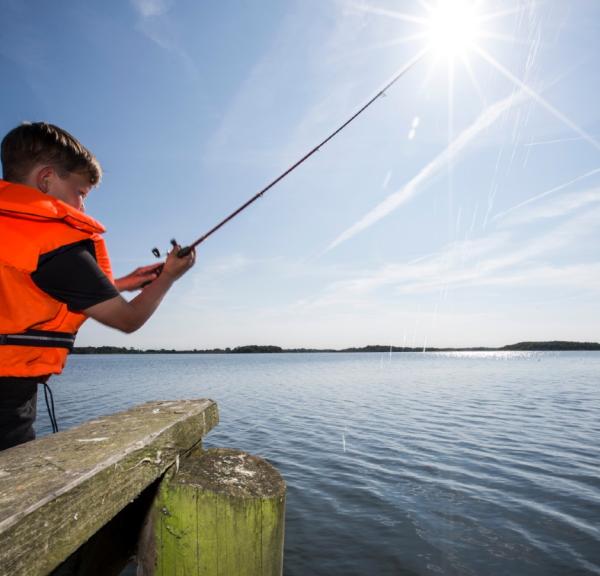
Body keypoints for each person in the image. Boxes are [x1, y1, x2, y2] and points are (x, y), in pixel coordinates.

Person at [0, 122, 196, 450]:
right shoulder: (55, 244)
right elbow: (128, 319)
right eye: (80, 193)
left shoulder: (12, 229)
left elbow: (27, 292)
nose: (82, 207)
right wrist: (168, 278)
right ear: (45, 179)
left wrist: (118, 283)